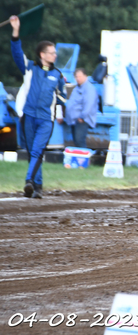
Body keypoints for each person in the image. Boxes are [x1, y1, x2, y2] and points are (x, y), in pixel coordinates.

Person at [9, 15, 66, 199]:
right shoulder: (29, 68)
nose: (54, 55)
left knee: (37, 150)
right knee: (33, 151)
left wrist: (59, 106)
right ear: (42, 55)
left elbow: (62, 98)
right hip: (28, 116)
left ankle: (28, 182)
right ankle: (38, 186)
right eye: (51, 52)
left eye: (55, 53)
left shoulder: (58, 76)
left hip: (45, 120)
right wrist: (16, 31)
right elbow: (17, 53)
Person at [64, 68, 99, 148]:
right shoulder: (76, 88)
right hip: (74, 120)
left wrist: (82, 117)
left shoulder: (89, 89)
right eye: (76, 77)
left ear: (85, 76)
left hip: (82, 120)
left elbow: (88, 105)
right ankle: (80, 158)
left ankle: (84, 159)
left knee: (80, 141)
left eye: (80, 76)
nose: (78, 79)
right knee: (76, 141)